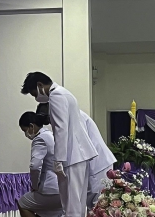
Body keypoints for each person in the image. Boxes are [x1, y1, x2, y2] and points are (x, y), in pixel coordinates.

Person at [21, 72, 98, 217]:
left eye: (34, 94)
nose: (36, 98)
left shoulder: (56, 96)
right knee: (78, 205)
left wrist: (58, 160)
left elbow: (61, 129)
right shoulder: (66, 94)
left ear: (40, 85)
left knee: (71, 206)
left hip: (71, 156)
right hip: (79, 155)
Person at [36, 103, 116, 209]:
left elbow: (79, 148)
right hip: (92, 167)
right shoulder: (66, 120)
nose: (51, 123)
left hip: (98, 166)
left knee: (100, 207)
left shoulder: (74, 118)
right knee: (92, 207)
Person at [17, 111, 63, 217]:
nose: (26, 134)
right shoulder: (50, 135)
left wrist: (34, 186)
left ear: (31, 126)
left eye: (25, 130)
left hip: (50, 189)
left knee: (22, 203)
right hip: (61, 188)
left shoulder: (40, 139)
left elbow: (35, 166)